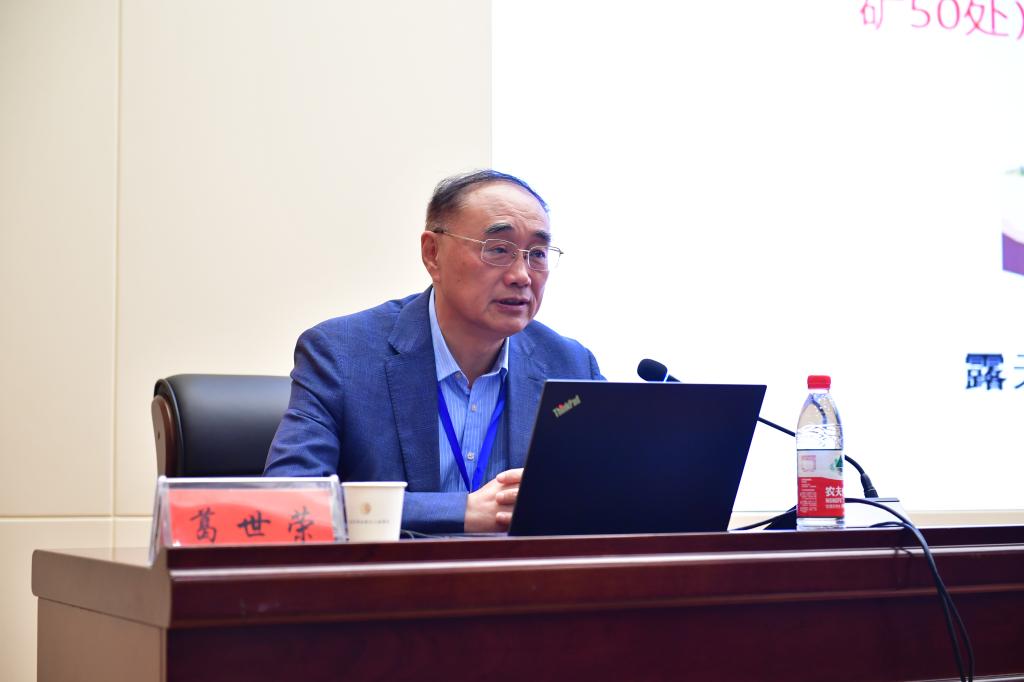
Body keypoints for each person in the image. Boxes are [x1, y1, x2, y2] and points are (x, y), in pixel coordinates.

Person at [263, 170, 603, 533]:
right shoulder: (342, 355)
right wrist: (462, 510)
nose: (522, 275)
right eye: (498, 249)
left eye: (537, 254)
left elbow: (608, 494)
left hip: (525, 571)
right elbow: (291, 501)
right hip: (396, 569)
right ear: (433, 254)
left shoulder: (569, 364)